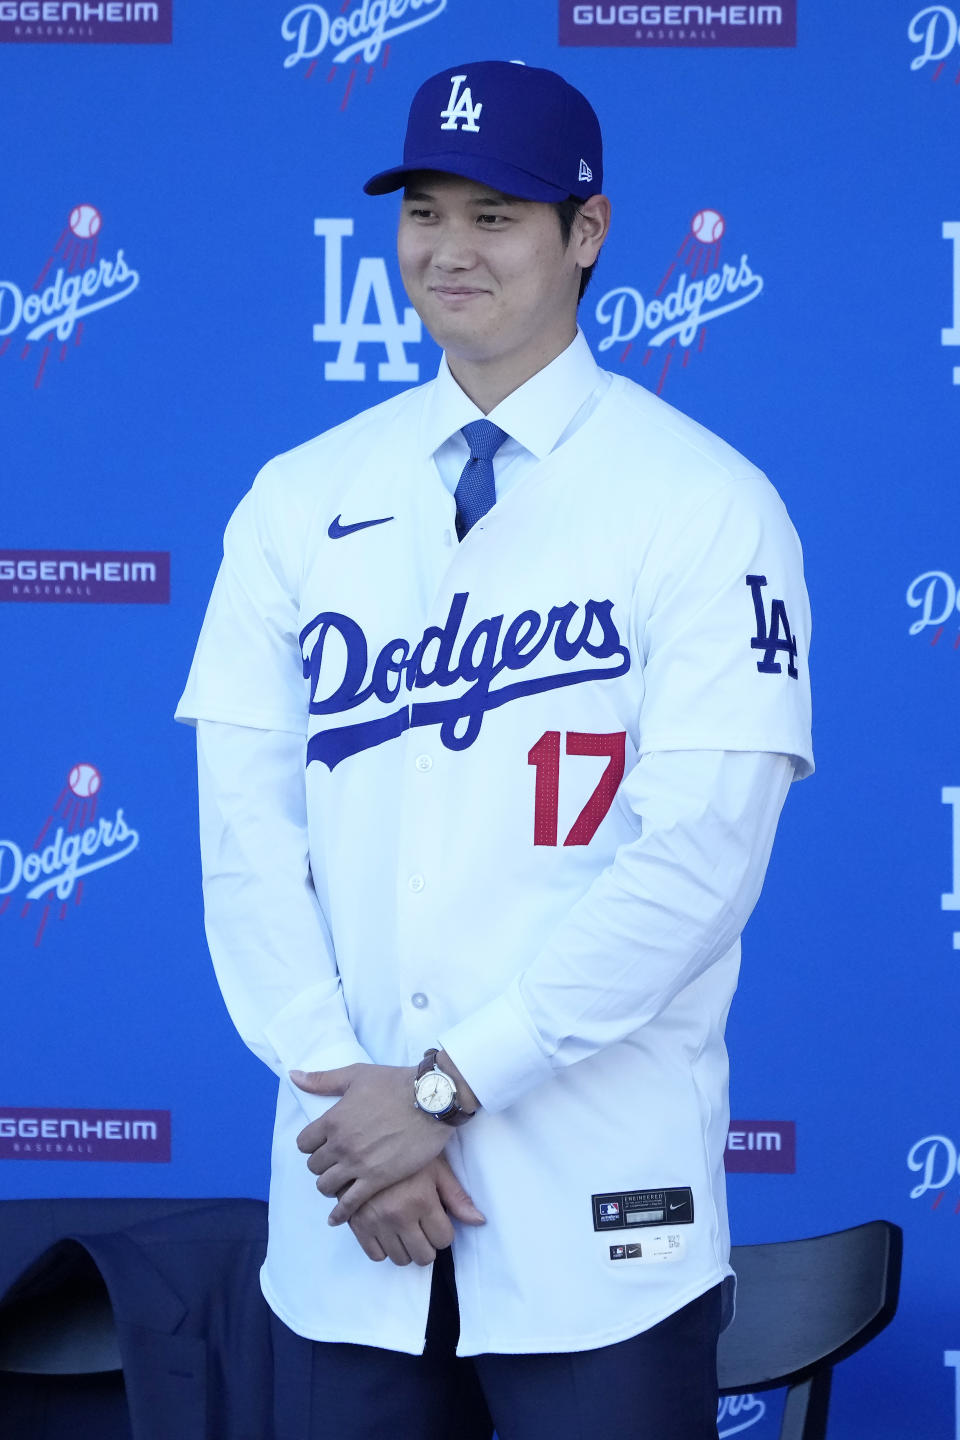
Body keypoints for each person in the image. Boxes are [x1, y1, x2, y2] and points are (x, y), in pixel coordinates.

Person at [176, 58, 812, 1440]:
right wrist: (358, 1105)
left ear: (586, 233)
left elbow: (695, 860)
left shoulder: (703, 502)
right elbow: (246, 834)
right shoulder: (300, 497)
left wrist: (451, 1089)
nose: (449, 250)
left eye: (499, 214)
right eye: (425, 212)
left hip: (599, 1219)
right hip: (352, 1206)